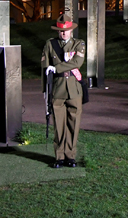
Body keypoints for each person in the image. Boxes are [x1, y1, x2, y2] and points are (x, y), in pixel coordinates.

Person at [42, 13, 85, 168]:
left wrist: (57, 67)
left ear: (71, 30)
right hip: (57, 89)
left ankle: (70, 156)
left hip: (74, 89)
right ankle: (59, 156)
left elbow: (77, 62)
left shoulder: (78, 44)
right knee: (59, 125)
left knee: (74, 124)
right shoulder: (50, 44)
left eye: (66, 30)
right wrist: (45, 91)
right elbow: (44, 70)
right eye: (60, 31)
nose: (63, 33)